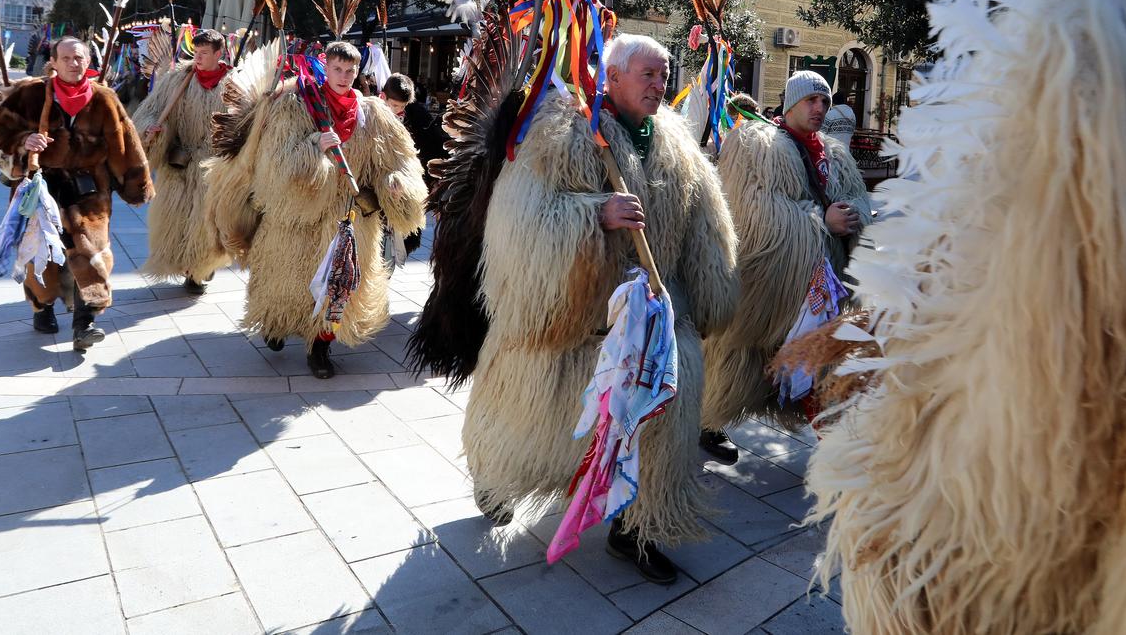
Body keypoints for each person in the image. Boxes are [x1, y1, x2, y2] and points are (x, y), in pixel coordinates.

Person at [462, 33, 738, 584]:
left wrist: (710, 299)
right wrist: (596, 213)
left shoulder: (678, 145)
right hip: (581, 319)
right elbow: (523, 218)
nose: (660, 85)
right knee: (541, 422)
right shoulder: (566, 131)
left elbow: (707, 227)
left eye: (664, 75)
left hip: (656, 315)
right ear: (611, 77)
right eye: (648, 74)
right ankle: (499, 479)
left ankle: (638, 526)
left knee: (659, 428)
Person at [202, 40, 426, 378]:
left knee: (340, 290)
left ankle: (320, 347)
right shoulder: (297, 105)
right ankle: (276, 323)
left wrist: (395, 182)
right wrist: (313, 146)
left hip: (350, 220)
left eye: (350, 71)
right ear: (326, 66)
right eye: (337, 69)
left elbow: (400, 160)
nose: (344, 77)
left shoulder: (373, 114)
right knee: (286, 282)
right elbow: (275, 161)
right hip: (297, 217)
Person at [699, 69, 871, 462]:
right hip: (769, 283)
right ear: (791, 102)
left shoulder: (835, 155)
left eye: (825, 101)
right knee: (740, 360)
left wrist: (854, 215)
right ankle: (706, 422)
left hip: (824, 282)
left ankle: (836, 449)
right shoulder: (757, 145)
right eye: (811, 100)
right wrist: (822, 221)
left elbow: (858, 198)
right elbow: (754, 211)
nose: (819, 108)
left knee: (822, 358)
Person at [0, 36, 153, 351]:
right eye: (66, 58)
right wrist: (24, 141)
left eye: (79, 58)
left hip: (89, 190)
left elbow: (125, 143)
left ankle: (85, 323)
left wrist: (136, 183)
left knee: (93, 252)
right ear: (54, 62)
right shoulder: (30, 94)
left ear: (88, 62)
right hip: (39, 188)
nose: (74, 64)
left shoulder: (104, 98)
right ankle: (42, 305)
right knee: (40, 256)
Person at [133, 28, 233, 295]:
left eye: (204, 53)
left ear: (219, 54)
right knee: (175, 219)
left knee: (206, 221)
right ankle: (186, 265)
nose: (197, 58)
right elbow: (150, 110)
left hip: (214, 165)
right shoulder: (176, 79)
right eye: (195, 52)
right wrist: (151, 128)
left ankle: (200, 270)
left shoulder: (235, 83)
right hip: (178, 161)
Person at [381, 73, 447, 253]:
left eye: (403, 106)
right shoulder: (372, 113)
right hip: (378, 187)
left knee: (399, 244)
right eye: (394, 105)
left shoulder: (417, 115)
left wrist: (435, 183)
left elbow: (434, 146)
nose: (398, 110)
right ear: (383, 97)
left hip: (407, 189)